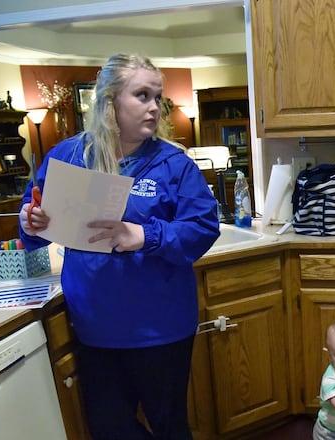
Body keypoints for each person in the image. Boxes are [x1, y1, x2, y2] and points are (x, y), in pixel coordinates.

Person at [19, 53, 220, 440]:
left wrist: (142, 235)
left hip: (160, 328)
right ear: (110, 101)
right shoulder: (69, 156)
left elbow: (202, 227)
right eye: (141, 95)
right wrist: (31, 220)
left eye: (156, 97)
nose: (154, 107)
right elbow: (34, 214)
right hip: (95, 325)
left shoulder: (173, 164)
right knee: (109, 428)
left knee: (169, 425)